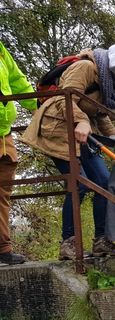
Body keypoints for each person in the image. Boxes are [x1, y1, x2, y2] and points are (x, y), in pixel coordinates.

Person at [21, 37, 115, 260]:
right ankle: (69, 243)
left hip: (80, 134)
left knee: (104, 183)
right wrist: (82, 120)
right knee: (78, 184)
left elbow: (100, 113)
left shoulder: (110, 85)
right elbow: (64, 98)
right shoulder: (86, 67)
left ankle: (101, 241)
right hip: (56, 128)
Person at [0, 41, 38, 265]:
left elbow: (17, 81)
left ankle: (2, 248)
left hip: (4, 134)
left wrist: (37, 106)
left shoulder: (1, 51)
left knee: (3, 192)